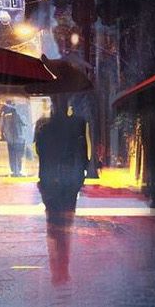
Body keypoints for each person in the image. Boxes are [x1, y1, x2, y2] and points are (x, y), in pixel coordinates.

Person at [34, 97, 90, 286]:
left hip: (55, 181)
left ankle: (58, 268)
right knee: (63, 224)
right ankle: (61, 268)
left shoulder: (44, 127)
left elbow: (42, 155)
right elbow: (82, 152)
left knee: (55, 224)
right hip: (67, 181)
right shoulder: (77, 124)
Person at [0, 100, 25, 178]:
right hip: (16, 138)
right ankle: (16, 171)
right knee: (16, 154)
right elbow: (3, 126)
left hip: (14, 138)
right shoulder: (9, 115)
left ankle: (16, 170)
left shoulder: (7, 115)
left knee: (15, 154)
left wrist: (4, 135)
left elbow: (2, 126)